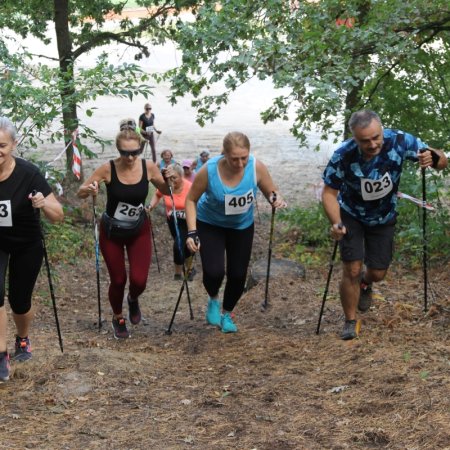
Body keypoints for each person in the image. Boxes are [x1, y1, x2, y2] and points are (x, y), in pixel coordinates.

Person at [321, 110, 448, 341]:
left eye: (376, 137)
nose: (372, 144)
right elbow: (329, 193)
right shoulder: (343, 154)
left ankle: (366, 284)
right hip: (350, 214)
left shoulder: (400, 140)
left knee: (378, 272)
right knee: (352, 268)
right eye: (364, 140)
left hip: (383, 215)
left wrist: (433, 158)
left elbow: (441, 161)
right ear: (354, 138)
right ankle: (350, 320)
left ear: (382, 129)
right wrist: (336, 222)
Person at [185, 131, 287, 333]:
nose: (240, 164)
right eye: (234, 159)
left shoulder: (256, 166)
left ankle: (227, 313)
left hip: (241, 227)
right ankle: (213, 298)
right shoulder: (209, 170)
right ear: (224, 154)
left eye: (244, 158)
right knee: (214, 272)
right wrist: (191, 231)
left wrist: (276, 199)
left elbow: (271, 191)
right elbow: (190, 200)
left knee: (238, 275)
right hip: (210, 224)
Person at [77, 128, 173, 339]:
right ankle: (118, 316)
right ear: (118, 149)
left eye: (134, 152)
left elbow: (166, 191)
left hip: (139, 229)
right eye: (125, 152)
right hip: (112, 230)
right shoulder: (108, 168)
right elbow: (81, 192)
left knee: (139, 280)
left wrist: (170, 179)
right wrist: (90, 189)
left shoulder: (148, 167)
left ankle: (133, 299)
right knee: (118, 279)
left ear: (141, 148)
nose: (130, 157)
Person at [0, 117, 64, 381]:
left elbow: (57, 214)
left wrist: (42, 203)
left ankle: (22, 338)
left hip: (26, 243)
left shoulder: (29, 174)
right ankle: (1, 355)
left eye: (2, 145)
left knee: (19, 300)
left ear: (13, 145)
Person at [149, 163, 194, 281]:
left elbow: (198, 202)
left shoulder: (190, 187)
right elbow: (157, 195)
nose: (171, 181)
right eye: (170, 178)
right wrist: (150, 206)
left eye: (174, 178)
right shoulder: (166, 187)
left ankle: (178, 274)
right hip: (172, 221)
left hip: (187, 220)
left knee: (178, 245)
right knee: (182, 245)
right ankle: (190, 268)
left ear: (181, 176)